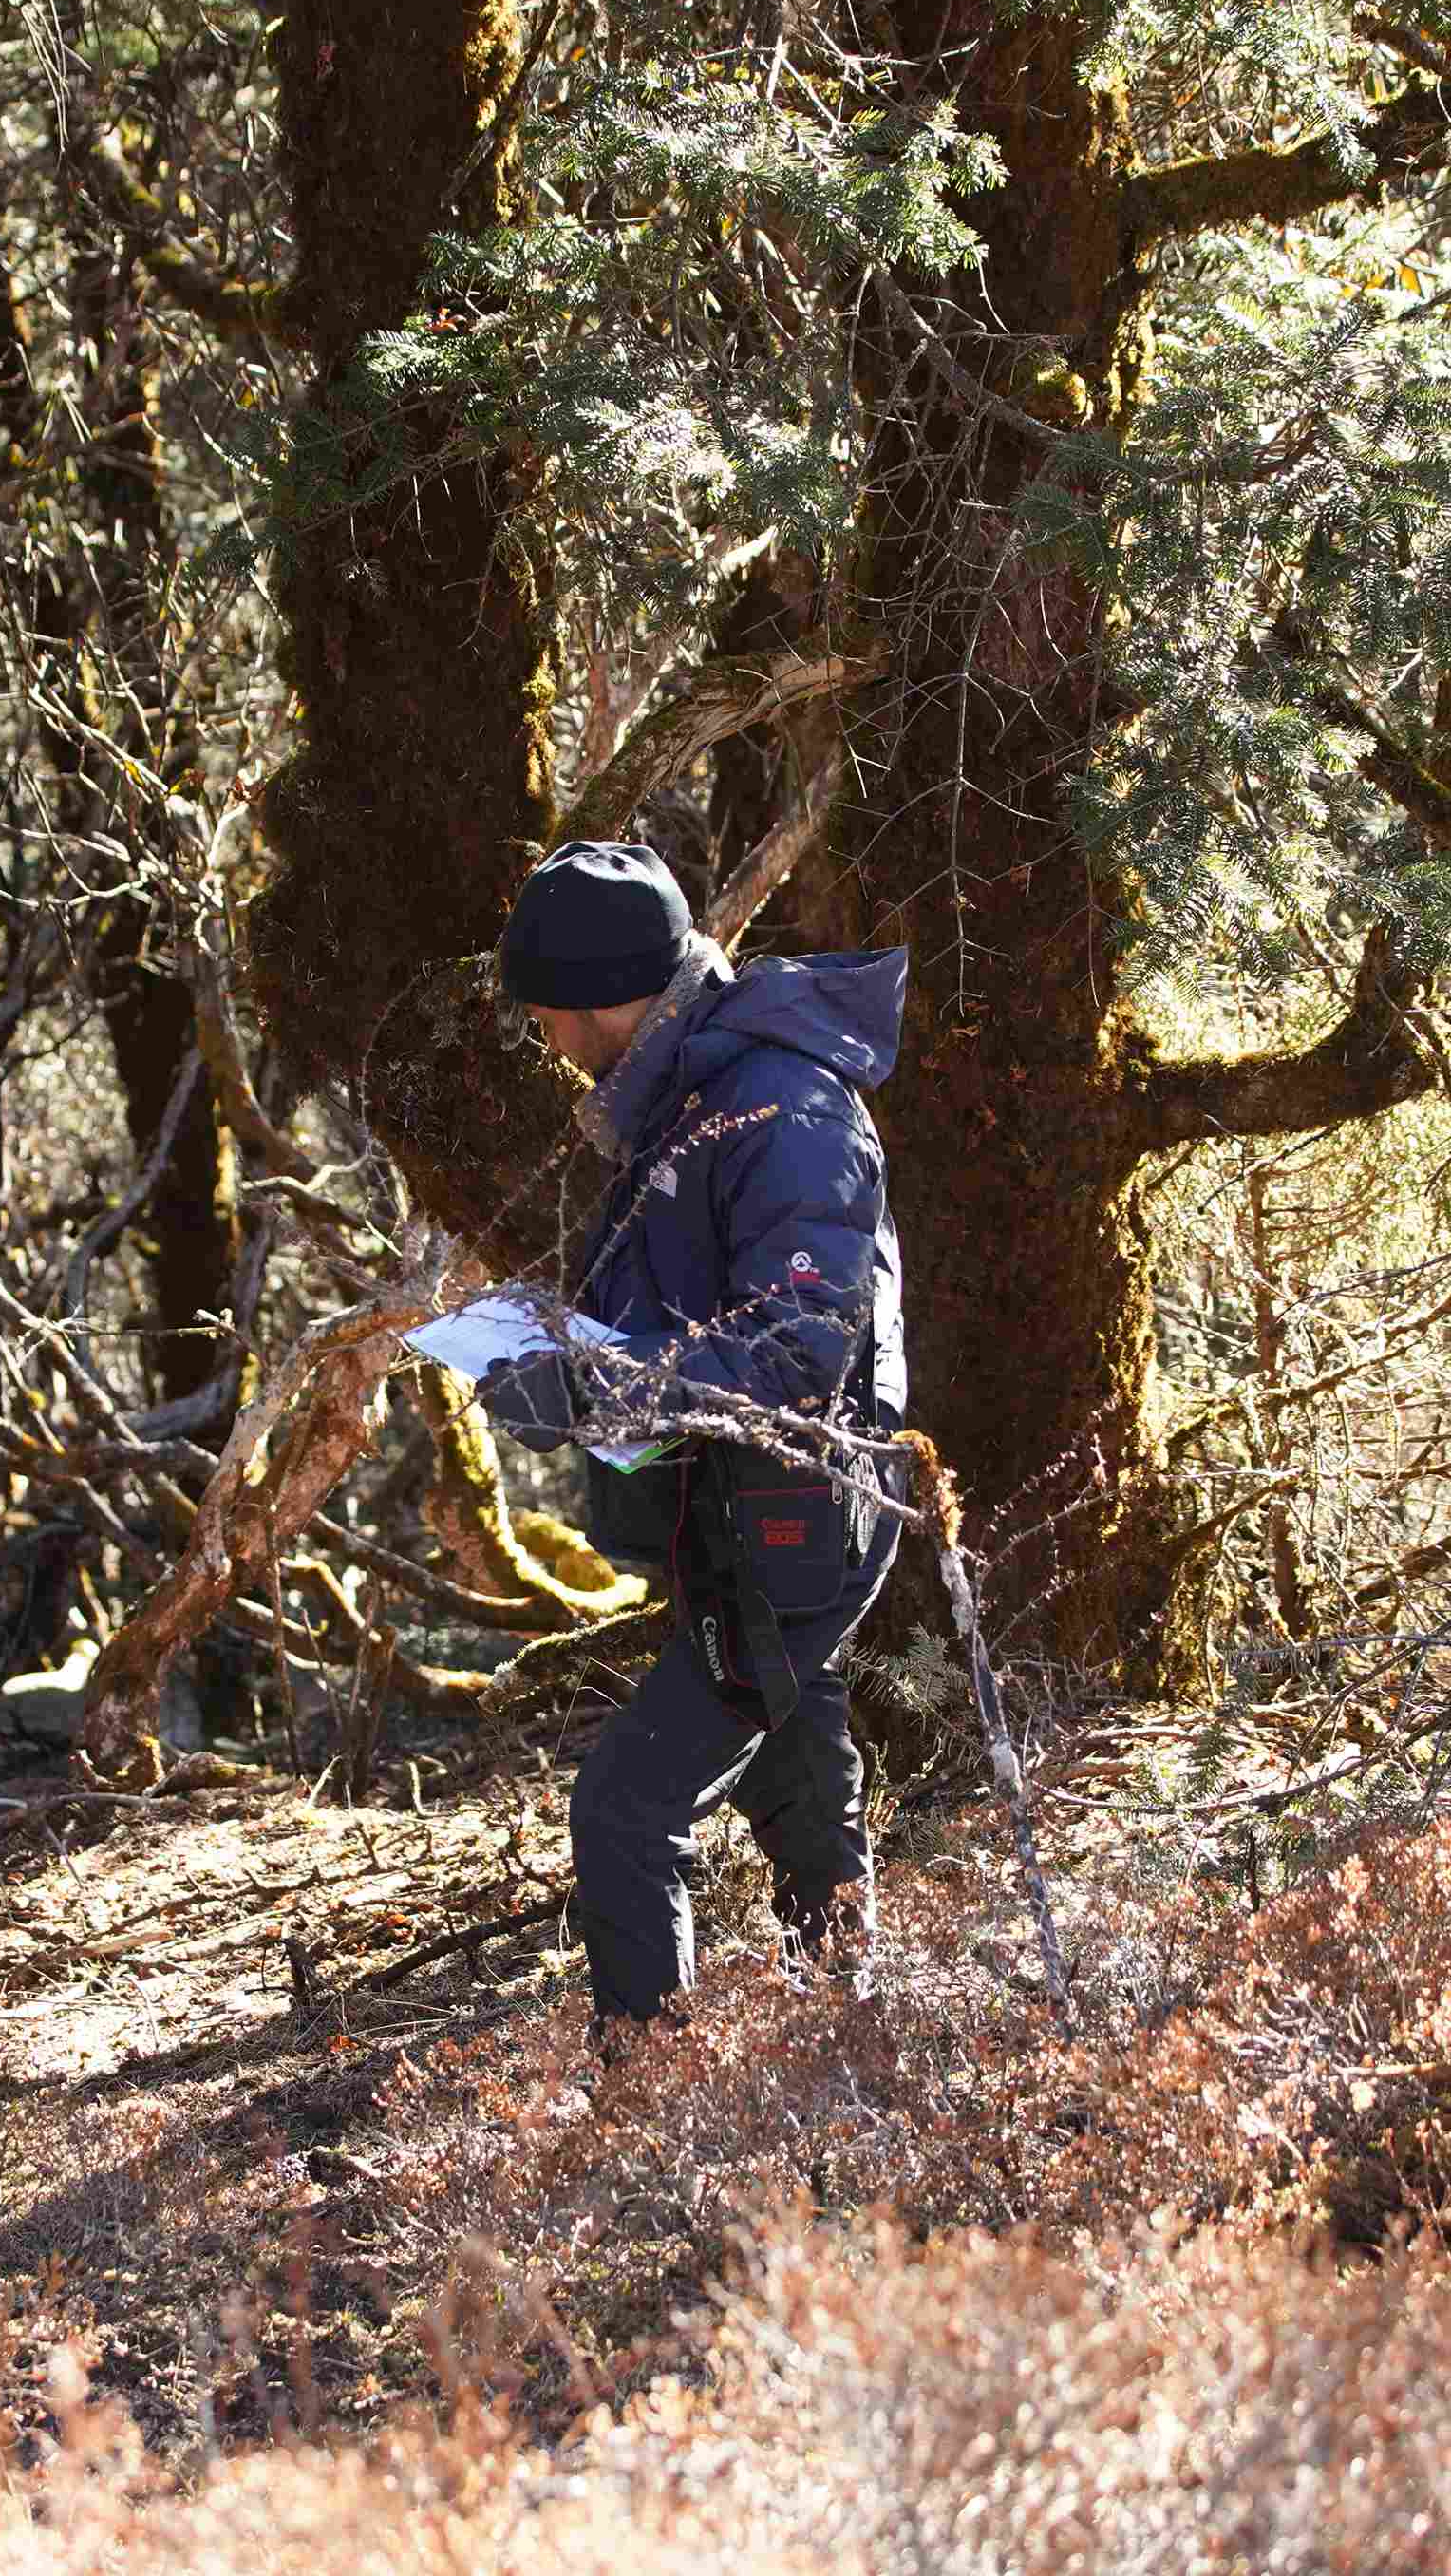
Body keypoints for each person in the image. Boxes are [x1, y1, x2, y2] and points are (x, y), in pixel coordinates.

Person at [473, 840, 911, 2025]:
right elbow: (685, 1305)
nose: (554, 1045)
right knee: (795, 1763)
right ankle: (849, 2030)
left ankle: (649, 2114)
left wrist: (594, 1391)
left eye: (560, 1017)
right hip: (739, 1507)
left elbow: (797, 1348)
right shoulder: (692, 1096)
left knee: (623, 1805)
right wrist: (558, 1352)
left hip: (806, 1509)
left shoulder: (788, 1110)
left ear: (620, 998)